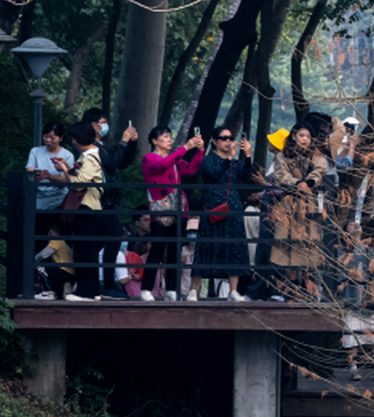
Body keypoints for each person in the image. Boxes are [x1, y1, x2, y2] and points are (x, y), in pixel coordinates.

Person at [76, 109, 137, 297]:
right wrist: (123, 141)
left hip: (107, 201)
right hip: (98, 202)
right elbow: (110, 165)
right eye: (102, 122)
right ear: (93, 125)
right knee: (109, 239)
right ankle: (104, 285)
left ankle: (97, 286)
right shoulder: (89, 147)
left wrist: (132, 143)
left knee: (103, 242)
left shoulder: (100, 146)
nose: (105, 126)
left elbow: (121, 163)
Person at [139, 126, 204, 301]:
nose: (169, 139)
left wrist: (199, 151)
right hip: (161, 210)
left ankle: (172, 289)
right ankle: (146, 289)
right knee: (157, 250)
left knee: (175, 250)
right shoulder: (149, 158)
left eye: (170, 136)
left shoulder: (174, 159)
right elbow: (161, 165)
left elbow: (190, 170)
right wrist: (186, 147)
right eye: (165, 136)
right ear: (154, 141)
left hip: (178, 209)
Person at [193, 125, 258, 300]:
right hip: (213, 207)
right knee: (205, 246)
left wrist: (248, 155)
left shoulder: (235, 163)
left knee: (234, 247)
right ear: (214, 141)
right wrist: (229, 158)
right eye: (224, 138)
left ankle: (233, 290)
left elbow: (246, 175)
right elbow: (213, 174)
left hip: (233, 208)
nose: (228, 141)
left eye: (231, 138)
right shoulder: (208, 160)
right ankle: (194, 290)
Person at [267, 124, 330, 299]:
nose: (305, 139)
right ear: (294, 135)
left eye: (308, 137)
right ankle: (291, 290)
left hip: (308, 204)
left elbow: (320, 170)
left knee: (309, 245)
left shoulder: (316, 156)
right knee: (288, 247)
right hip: (288, 204)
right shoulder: (282, 156)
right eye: (302, 135)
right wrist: (296, 184)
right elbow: (281, 175)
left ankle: (308, 289)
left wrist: (308, 183)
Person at [25, 121, 77, 299]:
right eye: (46, 137)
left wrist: (50, 177)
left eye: (53, 137)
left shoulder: (67, 155)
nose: (48, 140)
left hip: (58, 203)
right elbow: (29, 170)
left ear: (61, 138)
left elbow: (68, 179)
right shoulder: (35, 151)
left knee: (54, 242)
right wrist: (36, 176)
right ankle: (40, 285)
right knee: (37, 241)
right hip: (38, 203)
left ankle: (55, 285)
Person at [63, 121, 106, 301]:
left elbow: (79, 185)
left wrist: (65, 171)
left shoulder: (89, 158)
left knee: (84, 250)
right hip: (90, 207)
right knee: (87, 250)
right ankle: (93, 290)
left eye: (74, 138)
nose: (73, 141)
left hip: (86, 207)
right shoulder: (89, 156)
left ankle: (85, 292)